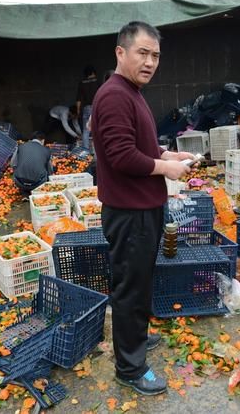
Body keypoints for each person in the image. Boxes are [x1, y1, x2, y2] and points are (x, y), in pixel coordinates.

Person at [92, 21, 195, 395]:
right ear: (121, 52)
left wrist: (168, 154)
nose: (150, 62)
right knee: (130, 288)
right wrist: (166, 168)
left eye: (155, 55)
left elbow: (138, 145)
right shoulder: (115, 95)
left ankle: (133, 338)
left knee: (138, 282)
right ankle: (130, 368)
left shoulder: (131, 91)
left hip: (143, 206)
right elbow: (121, 156)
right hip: (129, 211)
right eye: (142, 53)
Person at [10, 131, 53, 196]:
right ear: (43, 140)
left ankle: (25, 193)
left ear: (31, 139)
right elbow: (50, 170)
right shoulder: (47, 150)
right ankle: (36, 192)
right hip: (37, 184)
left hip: (19, 182)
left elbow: (12, 163)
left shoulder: (20, 146)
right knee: (47, 172)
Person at [76, 65, 100, 149]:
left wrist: (78, 110)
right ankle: (98, 151)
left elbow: (78, 99)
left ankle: (86, 151)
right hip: (97, 107)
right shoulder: (98, 81)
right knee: (97, 129)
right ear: (93, 72)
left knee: (86, 131)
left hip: (86, 108)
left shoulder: (81, 83)